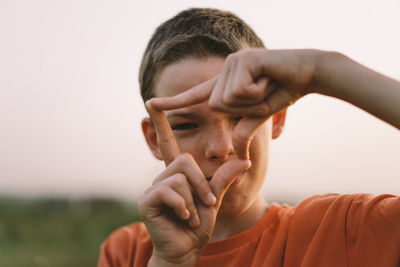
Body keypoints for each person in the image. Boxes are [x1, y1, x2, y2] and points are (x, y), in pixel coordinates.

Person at [98, 8, 400, 267]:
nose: (221, 148)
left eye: (240, 117)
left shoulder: (342, 233)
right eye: (186, 125)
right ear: (154, 139)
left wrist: (322, 70)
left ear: (276, 119)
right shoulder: (129, 253)